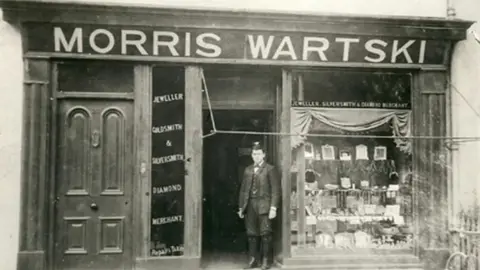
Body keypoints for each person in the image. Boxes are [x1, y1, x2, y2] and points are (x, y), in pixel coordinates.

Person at [238, 142, 281, 270]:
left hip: (264, 205)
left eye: (258, 154)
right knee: (251, 234)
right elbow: (243, 190)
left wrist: (273, 207)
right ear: (251, 155)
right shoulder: (248, 170)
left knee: (265, 233)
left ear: (263, 155)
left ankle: (266, 261)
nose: (256, 156)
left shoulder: (270, 169)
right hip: (250, 204)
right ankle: (253, 260)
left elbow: (276, 190)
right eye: (254, 154)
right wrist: (241, 207)